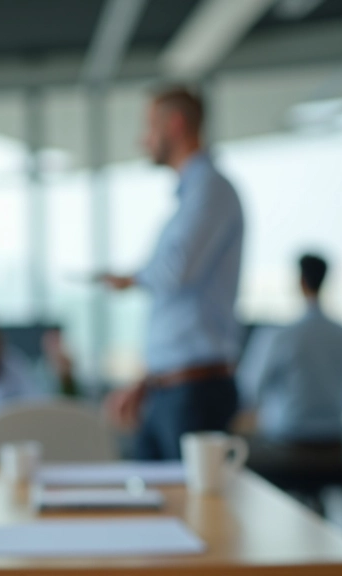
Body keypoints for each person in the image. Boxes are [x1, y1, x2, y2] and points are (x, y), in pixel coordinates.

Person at [102, 86, 244, 460]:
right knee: (150, 504)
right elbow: (181, 315)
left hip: (194, 392)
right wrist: (147, 382)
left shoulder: (210, 189)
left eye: (150, 126)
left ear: (176, 125)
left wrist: (131, 279)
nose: (142, 139)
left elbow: (174, 270)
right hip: (171, 389)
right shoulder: (192, 197)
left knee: (195, 515)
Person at [253, 254, 342, 442]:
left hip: (289, 439)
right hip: (335, 440)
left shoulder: (281, 337)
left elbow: (252, 388)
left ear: (300, 281)